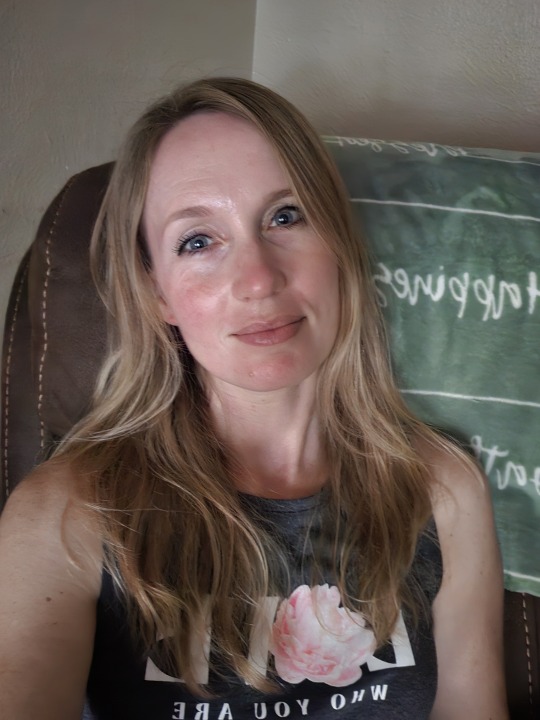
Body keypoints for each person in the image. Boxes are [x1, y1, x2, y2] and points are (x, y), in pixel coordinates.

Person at [0, 77, 507, 719]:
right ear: (157, 294)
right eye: (198, 241)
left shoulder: (445, 487)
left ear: (339, 245)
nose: (259, 280)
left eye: (285, 216)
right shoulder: (66, 512)